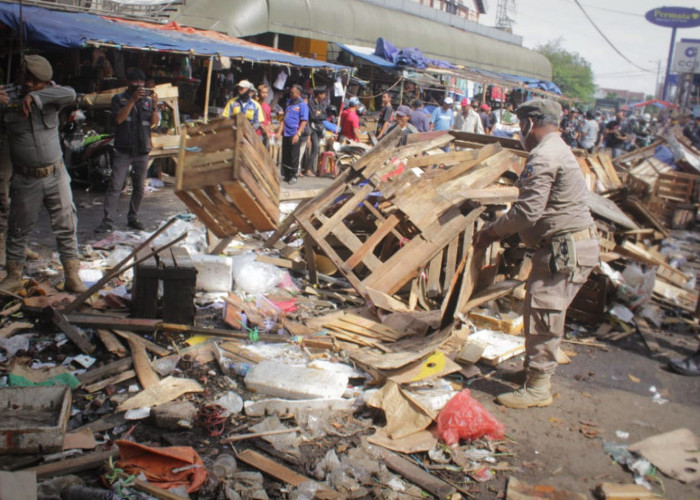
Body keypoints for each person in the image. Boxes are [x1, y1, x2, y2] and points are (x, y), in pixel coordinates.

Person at [474, 99, 599, 409]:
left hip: (563, 250)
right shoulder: (557, 149)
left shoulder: (544, 155)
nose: (520, 132)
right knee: (539, 312)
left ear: (530, 123)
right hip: (563, 247)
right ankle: (534, 374)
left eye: (520, 125)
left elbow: (528, 212)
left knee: (545, 315)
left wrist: (491, 231)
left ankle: (538, 388)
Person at [0, 55, 86, 293]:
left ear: (45, 83)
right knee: (18, 229)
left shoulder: (52, 95)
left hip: (55, 175)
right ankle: (14, 275)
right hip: (26, 178)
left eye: (35, 81)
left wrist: (36, 96)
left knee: (66, 225)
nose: (28, 84)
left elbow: (70, 94)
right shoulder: (8, 97)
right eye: (26, 79)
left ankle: (72, 275)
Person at [96, 68, 158, 233]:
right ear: (127, 82)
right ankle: (107, 221)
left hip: (142, 149)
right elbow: (119, 119)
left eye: (141, 82)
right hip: (123, 149)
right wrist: (132, 100)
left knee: (139, 187)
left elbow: (154, 123)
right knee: (115, 186)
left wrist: (155, 106)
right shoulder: (119, 98)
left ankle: (133, 218)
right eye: (135, 82)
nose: (139, 85)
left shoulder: (148, 101)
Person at [281, 84, 308, 184]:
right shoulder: (290, 103)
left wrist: (298, 134)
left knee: (294, 155)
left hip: (294, 133)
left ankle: (293, 175)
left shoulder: (303, 105)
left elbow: (304, 121)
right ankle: (287, 174)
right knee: (286, 154)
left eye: (293, 92)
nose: (291, 94)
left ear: (299, 93)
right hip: (286, 133)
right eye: (290, 92)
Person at [305, 86, 328, 176]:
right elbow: (313, 116)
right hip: (312, 128)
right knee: (315, 148)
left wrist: (320, 115)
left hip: (319, 128)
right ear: (319, 94)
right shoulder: (311, 103)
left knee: (316, 149)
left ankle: (312, 168)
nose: (324, 96)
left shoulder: (321, 103)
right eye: (323, 94)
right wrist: (320, 115)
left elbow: (324, 115)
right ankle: (308, 169)